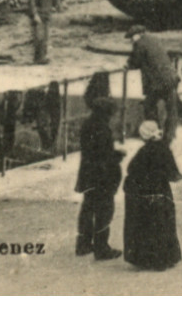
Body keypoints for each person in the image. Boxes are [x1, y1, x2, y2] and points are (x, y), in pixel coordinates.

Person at [122, 120, 182, 271]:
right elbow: (173, 173)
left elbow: (132, 169)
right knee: (163, 223)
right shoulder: (164, 148)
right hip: (161, 191)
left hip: (146, 192)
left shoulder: (144, 151)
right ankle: (167, 257)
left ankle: (148, 258)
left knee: (147, 223)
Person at [75, 95, 123, 260]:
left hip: (88, 174)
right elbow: (104, 156)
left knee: (88, 209)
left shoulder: (88, 124)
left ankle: (83, 244)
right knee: (104, 211)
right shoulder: (102, 128)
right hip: (102, 177)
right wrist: (117, 156)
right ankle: (102, 248)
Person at [126, 25, 180, 144]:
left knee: (149, 105)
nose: (131, 41)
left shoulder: (139, 44)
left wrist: (128, 64)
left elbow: (135, 62)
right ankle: (169, 136)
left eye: (131, 38)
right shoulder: (154, 39)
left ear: (137, 35)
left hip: (158, 82)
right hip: (171, 78)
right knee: (171, 108)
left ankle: (154, 131)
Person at [28, 0, 55, 65]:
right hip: (39, 12)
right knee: (39, 36)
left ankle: (43, 56)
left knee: (46, 35)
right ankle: (38, 58)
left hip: (47, 11)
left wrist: (54, 6)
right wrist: (34, 13)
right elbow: (32, 0)